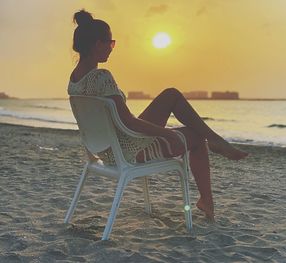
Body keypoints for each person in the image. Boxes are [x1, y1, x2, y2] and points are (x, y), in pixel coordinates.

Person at [67, 9, 248, 221]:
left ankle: (216, 141)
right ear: (97, 44)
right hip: (128, 150)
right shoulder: (101, 77)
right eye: (110, 42)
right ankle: (207, 197)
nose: (112, 47)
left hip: (105, 149)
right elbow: (130, 123)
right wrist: (167, 133)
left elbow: (123, 122)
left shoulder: (74, 80)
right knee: (197, 138)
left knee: (171, 94)